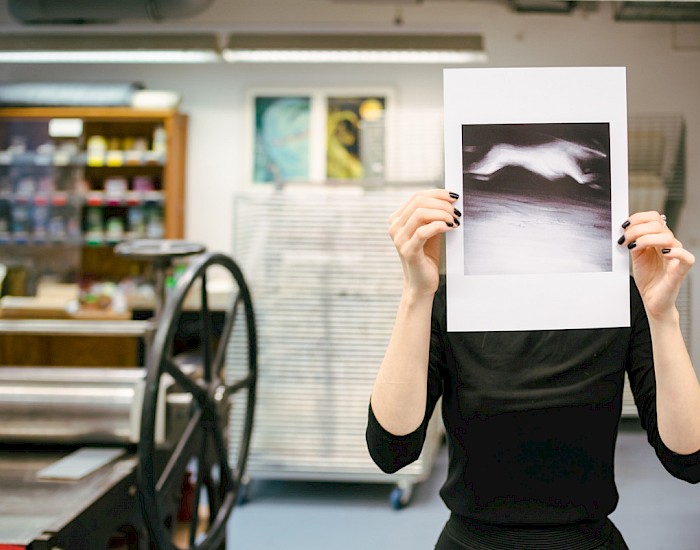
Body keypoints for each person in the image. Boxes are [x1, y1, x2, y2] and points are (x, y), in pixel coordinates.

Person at [366, 189, 700, 549]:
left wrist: (663, 316)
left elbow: (689, 459)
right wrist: (416, 293)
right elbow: (392, 451)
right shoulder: (451, 303)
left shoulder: (615, 302)